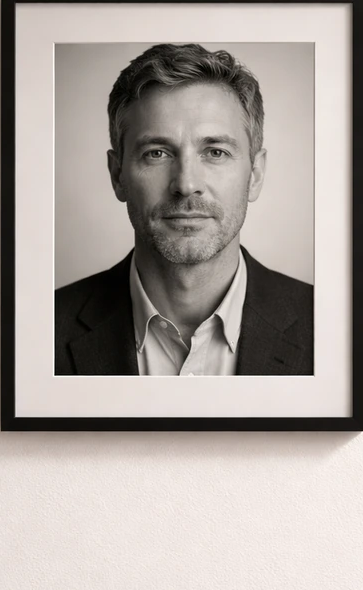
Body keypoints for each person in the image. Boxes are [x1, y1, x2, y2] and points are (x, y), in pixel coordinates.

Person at [55, 43, 313, 376]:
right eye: (157, 153)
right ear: (117, 175)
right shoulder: (41, 331)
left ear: (256, 175)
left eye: (216, 152)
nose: (187, 184)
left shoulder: (331, 327)